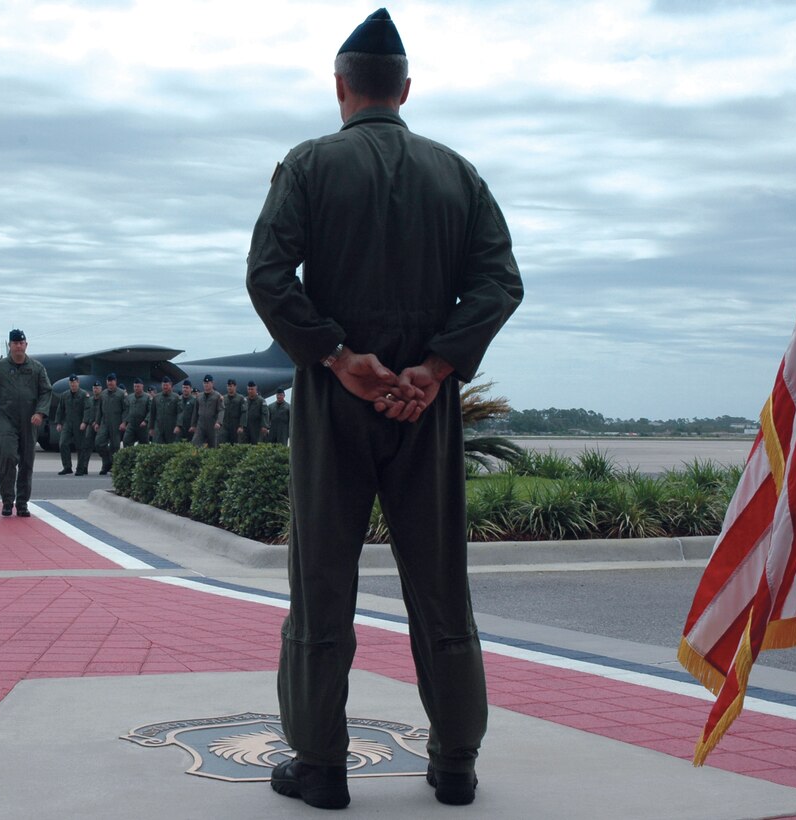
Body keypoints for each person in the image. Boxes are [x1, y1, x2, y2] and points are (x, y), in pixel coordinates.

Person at [246, 9, 523, 810]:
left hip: (335, 405)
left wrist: (337, 357)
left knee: (321, 583)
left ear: (340, 87)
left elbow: (268, 277)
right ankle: (454, 766)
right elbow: (501, 284)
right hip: (423, 411)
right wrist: (433, 370)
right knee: (440, 585)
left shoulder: (309, 164)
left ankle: (321, 768)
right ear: (404, 90)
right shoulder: (457, 173)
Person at [0, 329, 53, 517]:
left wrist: (40, 412)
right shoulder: (0, 368)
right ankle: (7, 501)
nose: (18, 346)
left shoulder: (37, 368)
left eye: (21, 343)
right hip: (7, 419)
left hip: (29, 420)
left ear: (26, 345)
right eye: (15, 343)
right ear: (10, 345)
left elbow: (46, 391)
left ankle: (22, 503)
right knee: (6, 457)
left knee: (27, 462)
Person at [53, 374, 91, 475]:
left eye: (74, 383)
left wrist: (85, 422)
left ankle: (80, 468)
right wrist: (58, 422)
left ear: (78, 382)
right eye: (71, 383)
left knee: (80, 447)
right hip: (68, 423)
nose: (73, 385)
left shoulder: (84, 394)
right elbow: (60, 409)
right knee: (63, 443)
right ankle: (67, 467)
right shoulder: (65, 395)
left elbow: (87, 409)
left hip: (79, 424)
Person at [94, 373, 127, 473]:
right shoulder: (103, 394)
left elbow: (126, 409)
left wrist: (124, 422)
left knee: (115, 446)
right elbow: (99, 410)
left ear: (115, 381)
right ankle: (107, 461)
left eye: (112, 381)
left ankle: (111, 467)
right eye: (108, 381)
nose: (110, 383)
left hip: (116, 422)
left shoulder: (121, 394)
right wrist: (97, 422)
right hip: (105, 422)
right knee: (99, 443)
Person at [192, 374, 224, 448]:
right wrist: (193, 425)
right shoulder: (199, 396)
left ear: (212, 383)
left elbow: (221, 410)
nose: (206, 385)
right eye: (205, 383)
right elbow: (195, 412)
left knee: (213, 445)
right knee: (195, 443)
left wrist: (219, 422)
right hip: (201, 424)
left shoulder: (217, 396)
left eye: (208, 383)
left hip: (212, 424)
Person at [149, 376, 182, 443]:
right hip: (158, 428)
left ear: (170, 385)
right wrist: (151, 428)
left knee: (171, 448)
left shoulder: (176, 398)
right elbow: (152, 414)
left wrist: (178, 426)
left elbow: (180, 413)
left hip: (171, 428)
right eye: (164, 385)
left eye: (167, 385)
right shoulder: (156, 398)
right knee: (157, 448)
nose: (165, 387)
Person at [122, 378, 151, 446]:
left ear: (142, 386)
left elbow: (150, 411)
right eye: (135, 386)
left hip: (143, 425)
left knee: (144, 445)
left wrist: (146, 421)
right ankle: (130, 456)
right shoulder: (130, 397)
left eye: (138, 386)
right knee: (126, 441)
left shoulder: (147, 397)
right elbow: (126, 410)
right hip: (131, 424)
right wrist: (124, 422)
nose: (136, 388)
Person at [82, 380, 103, 474]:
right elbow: (87, 412)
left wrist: (98, 423)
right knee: (87, 446)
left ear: (101, 389)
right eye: (94, 388)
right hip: (90, 426)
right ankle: (84, 467)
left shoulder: (104, 400)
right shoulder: (89, 400)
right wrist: (87, 422)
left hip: (101, 426)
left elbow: (105, 412)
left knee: (101, 446)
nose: (95, 389)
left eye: (97, 388)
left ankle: (105, 466)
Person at [220, 378, 247, 444]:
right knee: (223, 444)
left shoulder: (241, 398)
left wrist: (241, 426)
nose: (229, 388)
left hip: (236, 425)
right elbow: (220, 411)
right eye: (228, 386)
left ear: (235, 386)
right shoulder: (224, 398)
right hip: (225, 425)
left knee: (235, 444)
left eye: (231, 386)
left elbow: (244, 412)